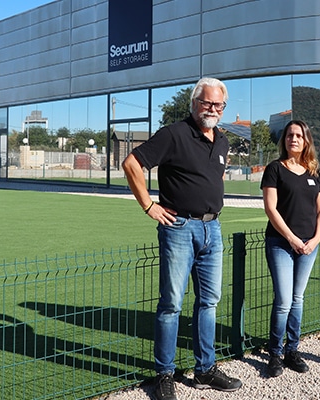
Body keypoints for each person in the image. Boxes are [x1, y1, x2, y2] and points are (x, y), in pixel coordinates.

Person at [121, 77, 242, 400]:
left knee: (209, 302)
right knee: (171, 304)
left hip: (212, 229)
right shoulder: (174, 134)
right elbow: (132, 163)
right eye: (207, 103)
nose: (212, 110)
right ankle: (164, 374)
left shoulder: (222, 141)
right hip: (178, 228)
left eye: (219, 105)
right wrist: (148, 205)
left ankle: (205, 370)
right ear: (194, 103)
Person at [260, 120, 320, 378]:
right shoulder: (275, 169)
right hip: (281, 243)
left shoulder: (313, 171)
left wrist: (316, 238)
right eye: (289, 135)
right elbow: (271, 208)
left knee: (298, 299)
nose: (294, 139)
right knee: (284, 301)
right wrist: (291, 239)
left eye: (299, 136)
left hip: (309, 245)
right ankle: (275, 354)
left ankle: (292, 350)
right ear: (284, 140)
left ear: (306, 140)